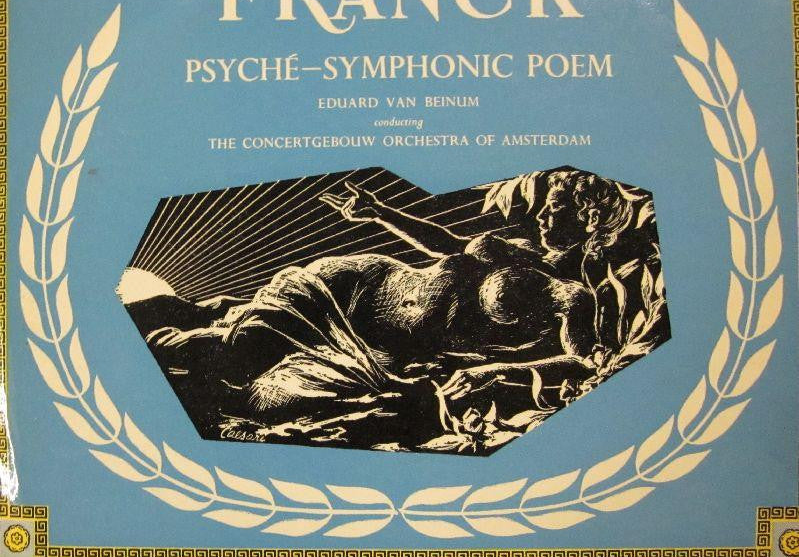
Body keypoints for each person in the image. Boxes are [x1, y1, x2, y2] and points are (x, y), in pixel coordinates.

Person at [147, 168, 654, 418]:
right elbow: (449, 247)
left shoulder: (573, 295)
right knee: (233, 351)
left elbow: (582, 357)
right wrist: (379, 213)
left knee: (238, 380)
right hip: (352, 289)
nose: (541, 215)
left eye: (555, 208)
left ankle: (169, 348)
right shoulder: (515, 247)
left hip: (373, 348)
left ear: (589, 218)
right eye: (544, 206)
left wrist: (490, 373)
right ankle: (152, 347)